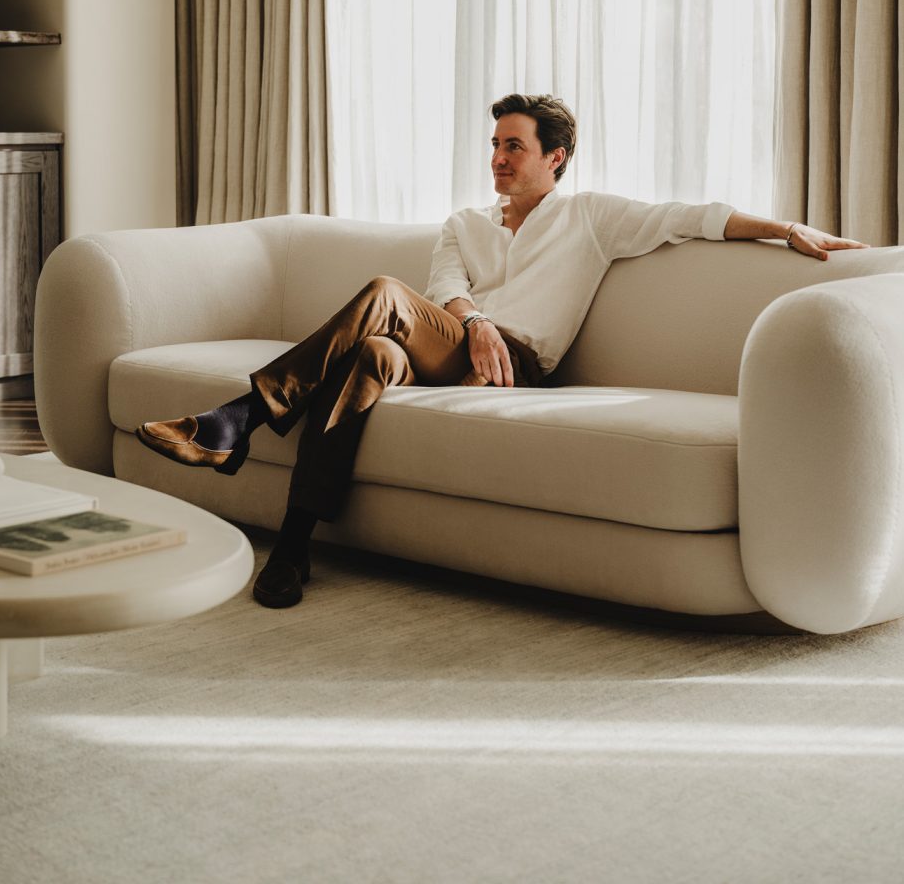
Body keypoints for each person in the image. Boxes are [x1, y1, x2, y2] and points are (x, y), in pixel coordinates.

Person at [137, 93, 867, 609]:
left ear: (556, 157)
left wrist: (785, 228)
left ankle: (236, 419)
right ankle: (293, 548)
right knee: (368, 359)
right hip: (456, 347)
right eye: (494, 145)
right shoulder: (466, 224)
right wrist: (474, 322)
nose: (498, 158)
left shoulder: (592, 218)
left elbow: (694, 219)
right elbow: (446, 287)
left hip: (518, 365)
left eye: (513, 146)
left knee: (385, 293)